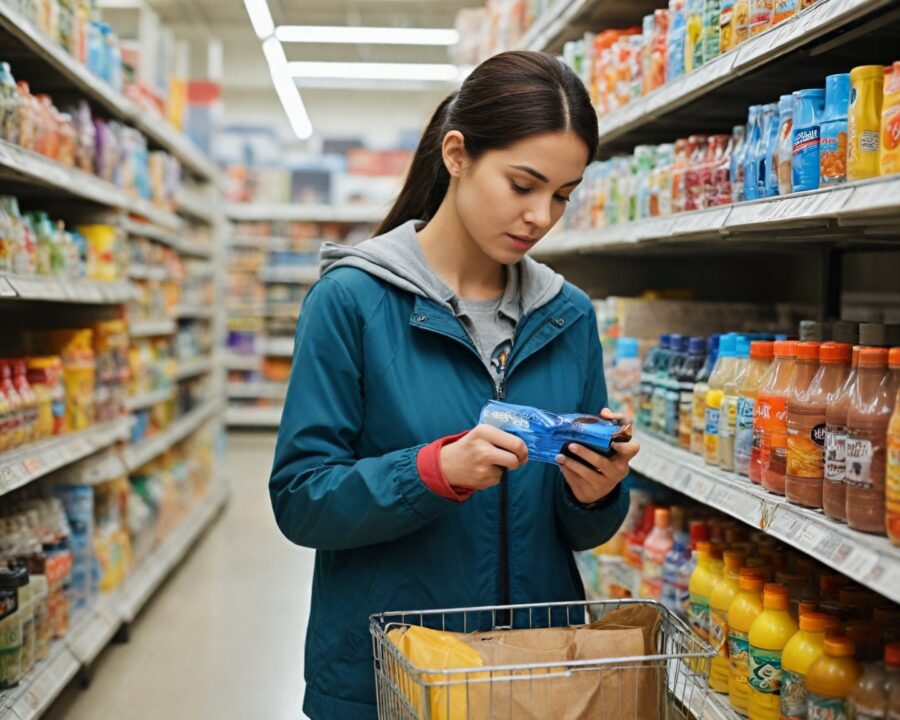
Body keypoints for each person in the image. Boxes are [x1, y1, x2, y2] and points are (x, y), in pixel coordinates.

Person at [269, 50, 640, 719]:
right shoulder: (352, 302)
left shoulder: (568, 314)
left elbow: (577, 532)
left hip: (534, 674)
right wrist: (434, 471)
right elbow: (300, 499)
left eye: (561, 194)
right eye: (522, 184)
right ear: (457, 154)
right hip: (391, 675)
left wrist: (597, 494)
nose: (540, 216)